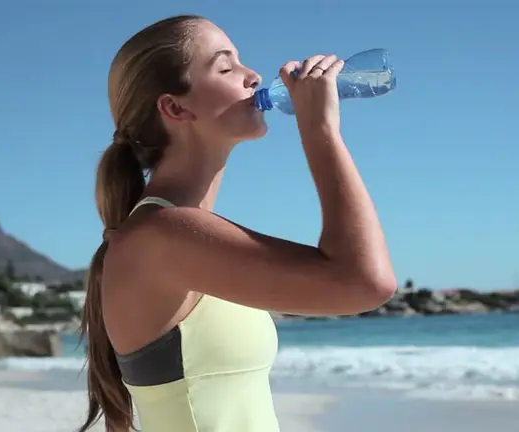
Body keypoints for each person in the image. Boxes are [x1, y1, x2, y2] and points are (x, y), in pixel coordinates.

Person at [78, 14, 397, 432]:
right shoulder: (163, 236)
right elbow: (364, 282)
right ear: (175, 107)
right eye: (226, 66)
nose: (254, 76)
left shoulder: (181, 235)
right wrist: (320, 131)